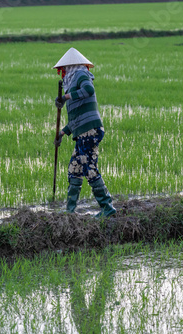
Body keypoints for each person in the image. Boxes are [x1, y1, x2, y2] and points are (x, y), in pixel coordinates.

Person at [53, 47, 116, 218]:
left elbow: (89, 90)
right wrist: (62, 133)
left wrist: (65, 97)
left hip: (90, 131)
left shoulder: (81, 75)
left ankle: (107, 207)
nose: (63, 73)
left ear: (71, 66)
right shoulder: (72, 85)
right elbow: (76, 119)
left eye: (64, 69)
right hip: (83, 132)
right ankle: (70, 212)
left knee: (89, 167)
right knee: (75, 169)